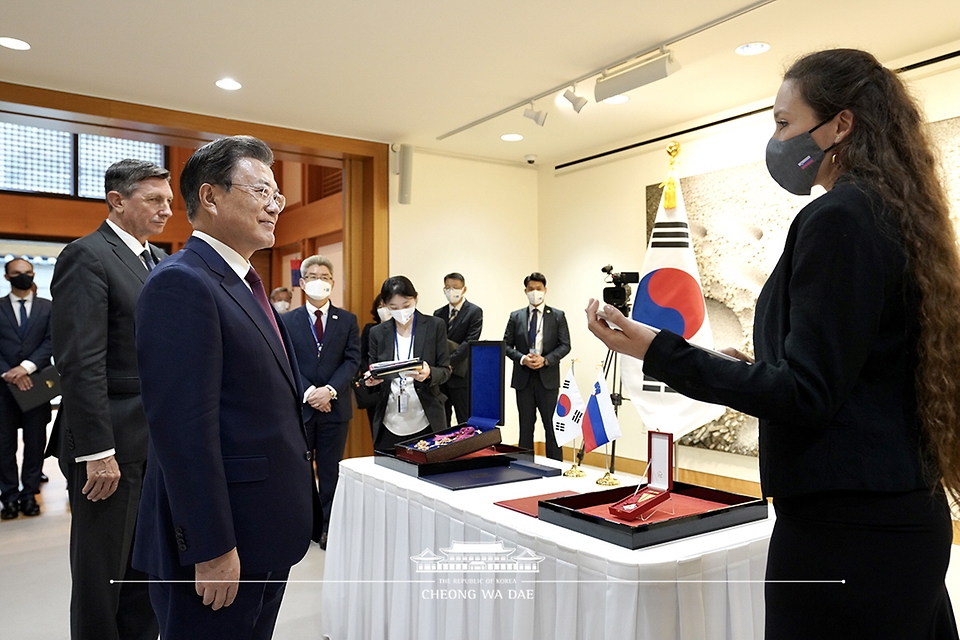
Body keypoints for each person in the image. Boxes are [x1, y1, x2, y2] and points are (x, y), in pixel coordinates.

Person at [587, 49, 960, 639]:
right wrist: (763, 365)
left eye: (785, 123)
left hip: (845, 531)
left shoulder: (840, 215)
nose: (777, 138)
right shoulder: (891, 213)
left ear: (841, 124)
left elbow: (808, 393)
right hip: (892, 516)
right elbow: (855, 370)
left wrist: (659, 351)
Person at [133, 135, 318, 639]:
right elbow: (182, 431)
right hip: (221, 542)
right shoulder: (183, 282)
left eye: (277, 195)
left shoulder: (241, 281)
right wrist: (211, 548)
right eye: (261, 191)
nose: (275, 205)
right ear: (211, 197)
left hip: (262, 528)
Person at [51, 158, 171, 640]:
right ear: (117, 201)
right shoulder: (87, 255)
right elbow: (81, 361)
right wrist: (97, 451)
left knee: (146, 570)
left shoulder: (159, 260)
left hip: (155, 441)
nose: (166, 210)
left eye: (169, 201)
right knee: (104, 576)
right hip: (111, 443)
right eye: (154, 200)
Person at [281, 254, 360, 550]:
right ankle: (303, 527)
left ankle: (328, 527)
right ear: (302, 283)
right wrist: (310, 392)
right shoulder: (286, 320)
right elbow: (284, 361)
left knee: (330, 472)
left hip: (335, 409)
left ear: (333, 282)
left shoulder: (347, 320)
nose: (319, 281)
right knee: (299, 472)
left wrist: (329, 390)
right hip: (300, 409)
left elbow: (353, 360)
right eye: (312, 276)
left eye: (324, 277)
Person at [364, 276, 450, 450]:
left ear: (415, 298)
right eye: (394, 307)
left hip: (426, 415)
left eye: (406, 305)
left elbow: (445, 370)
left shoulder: (434, 325)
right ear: (386, 305)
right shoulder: (377, 332)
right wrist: (371, 380)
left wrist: (429, 373)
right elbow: (372, 369)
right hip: (389, 417)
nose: (401, 311)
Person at [0, 258, 52, 520]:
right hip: (3, 389)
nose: (24, 277)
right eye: (17, 273)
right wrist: (9, 373)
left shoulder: (48, 308)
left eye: (28, 273)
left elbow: (51, 341)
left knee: (35, 444)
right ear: (7, 277)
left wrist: (26, 368)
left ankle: (29, 495)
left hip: (35, 386)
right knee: (4, 445)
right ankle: (8, 497)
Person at [504, 272, 570, 461]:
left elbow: (565, 345)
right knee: (526, 426)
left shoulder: (557, 316)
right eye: (531, 289)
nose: (535, 292)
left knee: (552, 427)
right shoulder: (515, 316)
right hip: (523, 378)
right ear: (525, 291)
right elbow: (505, 345)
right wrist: (523, 358)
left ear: (545, 290)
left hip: (547, 378)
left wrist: (546, 360)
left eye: (538, 289)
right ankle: (524, 467)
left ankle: (557, 467)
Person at [433, 272, 483, 426]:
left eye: (455, 287)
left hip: (462, 374)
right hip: (441, 376)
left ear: (464, 289)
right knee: (442, 420)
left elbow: (470, 341)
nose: (451, 291)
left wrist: (450, 362)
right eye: (448, 287)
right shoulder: (438, 313)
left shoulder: (474, 311)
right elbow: (436, 342)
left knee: (465, 419)